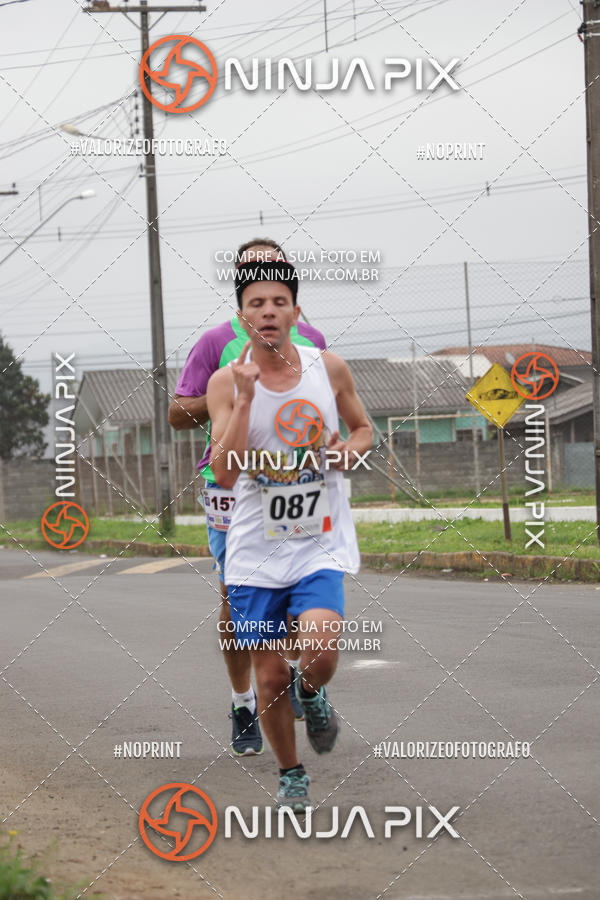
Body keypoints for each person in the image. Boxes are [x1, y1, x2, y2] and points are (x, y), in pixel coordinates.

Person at [206, 255, 373, 810]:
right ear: (242, 318)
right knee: (270, 669)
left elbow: (364, 428)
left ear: (297, 312)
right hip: (255, 547)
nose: (269, 311)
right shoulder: (224, 384)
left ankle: (313, 690)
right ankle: (291, 773)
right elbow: (225, 471)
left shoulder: (330, 368)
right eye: (257, 304)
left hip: (316, 540)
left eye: (279, 302)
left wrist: (348, 451)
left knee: (320, 651)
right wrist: (248, 398)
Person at [168, 239, 326, 758]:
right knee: (237, 602)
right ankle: (243, 702)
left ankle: (291, 678)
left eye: (273, 270)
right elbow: (176, 412)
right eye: (251, 271)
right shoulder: (216, 340)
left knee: (303, 585)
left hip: (295, 484)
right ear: (238, 285)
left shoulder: (313, 339)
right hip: (231, 487)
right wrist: (233, 399)